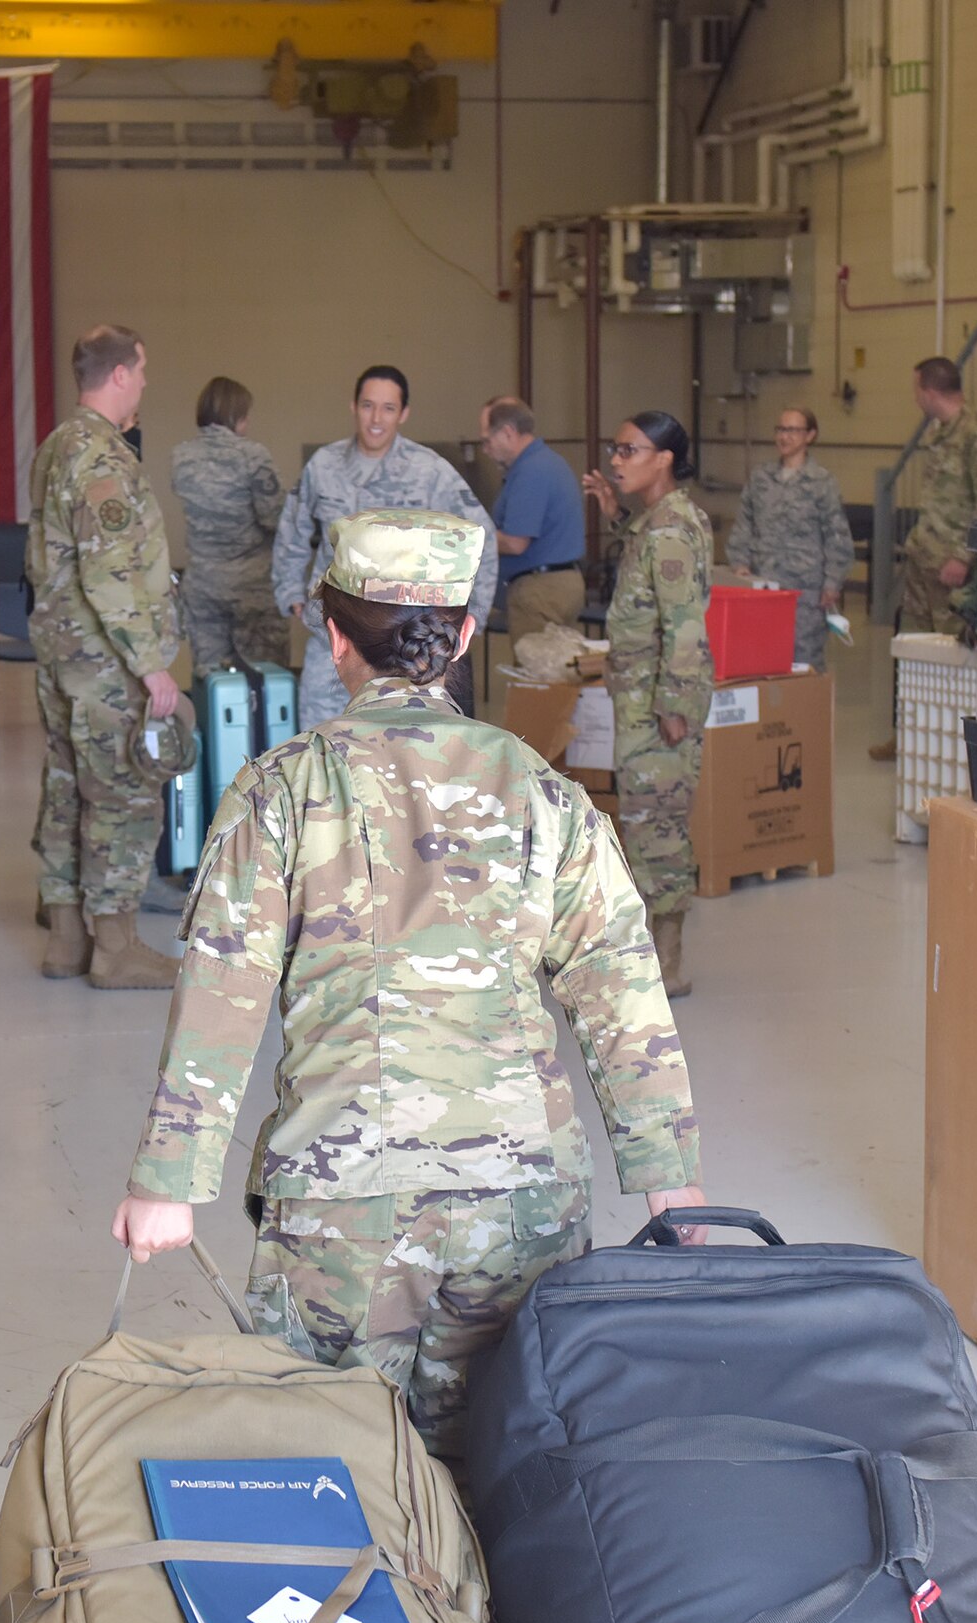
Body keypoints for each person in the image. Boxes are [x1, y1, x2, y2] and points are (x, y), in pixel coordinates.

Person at [112, 509, 705, 1464]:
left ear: (332, 636)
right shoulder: (545, 794)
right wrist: (670, 1183)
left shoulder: (283, 791)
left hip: (339, 1207)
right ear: (466, 635)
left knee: (328, 1480)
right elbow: (619, 990)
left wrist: (168, 1183)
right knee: (515, 1480)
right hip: (518, 1210)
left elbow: (225, 990)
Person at [26, 324, 183, 988]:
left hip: (61, 655)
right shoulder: (103, 460)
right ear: (119, 374)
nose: (145, 382)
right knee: (122, 795)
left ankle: (66, 940)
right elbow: (110, 574)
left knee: (67, 790)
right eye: (141, 370)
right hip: (105, 665)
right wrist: (152, 668)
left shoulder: (56, 447)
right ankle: (114, 947)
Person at [272, 366, 498, 728]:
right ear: (353, 407)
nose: (376, 419)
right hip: (334, 637)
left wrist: (472, 615)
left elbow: (481, 534)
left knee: (406, 748)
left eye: (388, 408)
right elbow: (293, 530)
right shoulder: (325, 466)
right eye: (368, 406)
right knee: (323, 737)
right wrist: (290, 593)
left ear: (403, 413)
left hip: (407, 645)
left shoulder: (429, 471)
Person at [582, 412, 713, 1002]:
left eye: (629, 450)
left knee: (656, 826)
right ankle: (652, 953)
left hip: (657, 706)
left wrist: (675, 705)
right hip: (639, 701)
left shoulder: (669, 531)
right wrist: (616, 513)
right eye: (615, 448)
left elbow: (685, 625)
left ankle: (669, 964)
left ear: (664, 458)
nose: (617, 458)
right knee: (643, 821)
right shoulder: (655, 522)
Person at [872, 357, 977, 760]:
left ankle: (953, 743)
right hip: (922, 560)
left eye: (916, 390)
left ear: (929, 391)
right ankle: (908, 735)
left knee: (953, 655)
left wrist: (965, 559)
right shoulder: (943, 432)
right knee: (911, 648)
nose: (916, 398)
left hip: (952, 570)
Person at [172, 377, 290, 671]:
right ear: (236, 415)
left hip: (202, 587)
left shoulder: (181, 457)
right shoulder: (253, 456)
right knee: (265, 682)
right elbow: (275, 518)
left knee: (212, 680)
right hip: (252, 589)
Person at [726, 407, 854, 667]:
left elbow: (836, 534)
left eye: (793, 431)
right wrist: (739, 564)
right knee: (761, 657)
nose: (785, 437)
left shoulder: (822, 482)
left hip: (805, 590)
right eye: (781, 430)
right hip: (763, 586)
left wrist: (833, 582)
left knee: (803, 662)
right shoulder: (761, 478)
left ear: (810, 436)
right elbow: (744, 523)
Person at [480, 396, 586, 642]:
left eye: (487, 441)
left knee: (535, 677)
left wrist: (470, 538)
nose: (486, 450)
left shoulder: (531, 471)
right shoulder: (548, 462)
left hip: (540, 592)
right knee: (554, 673)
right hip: (559, 585)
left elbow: (516, 542)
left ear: (508, 432)